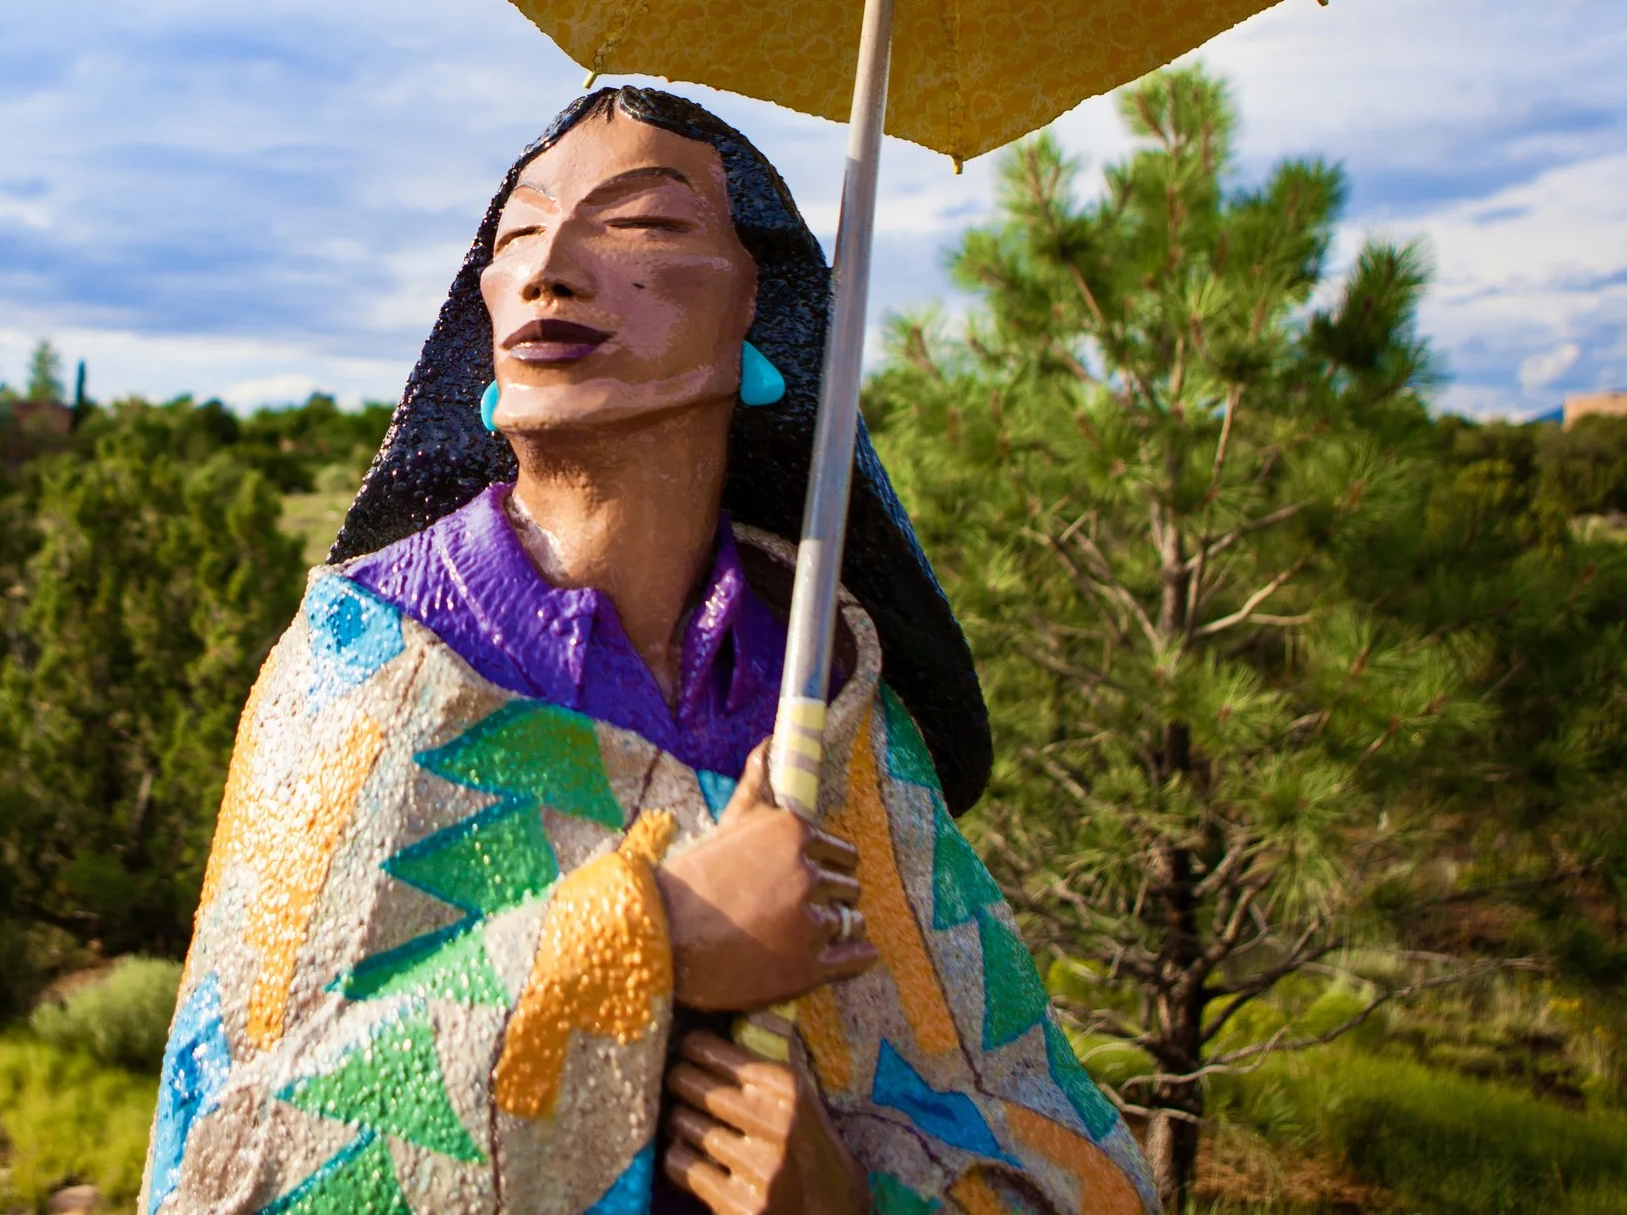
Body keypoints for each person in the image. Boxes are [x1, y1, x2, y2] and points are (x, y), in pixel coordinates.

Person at [143, 87, 1156, 1215]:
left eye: (643, 225)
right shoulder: (362, 668)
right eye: (518, 235)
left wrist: (852, 1199)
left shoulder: (836, 703)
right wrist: (655, 934)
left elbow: (1069, 1153)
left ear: (756, 310)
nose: (549, 269)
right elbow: (223, 1163)